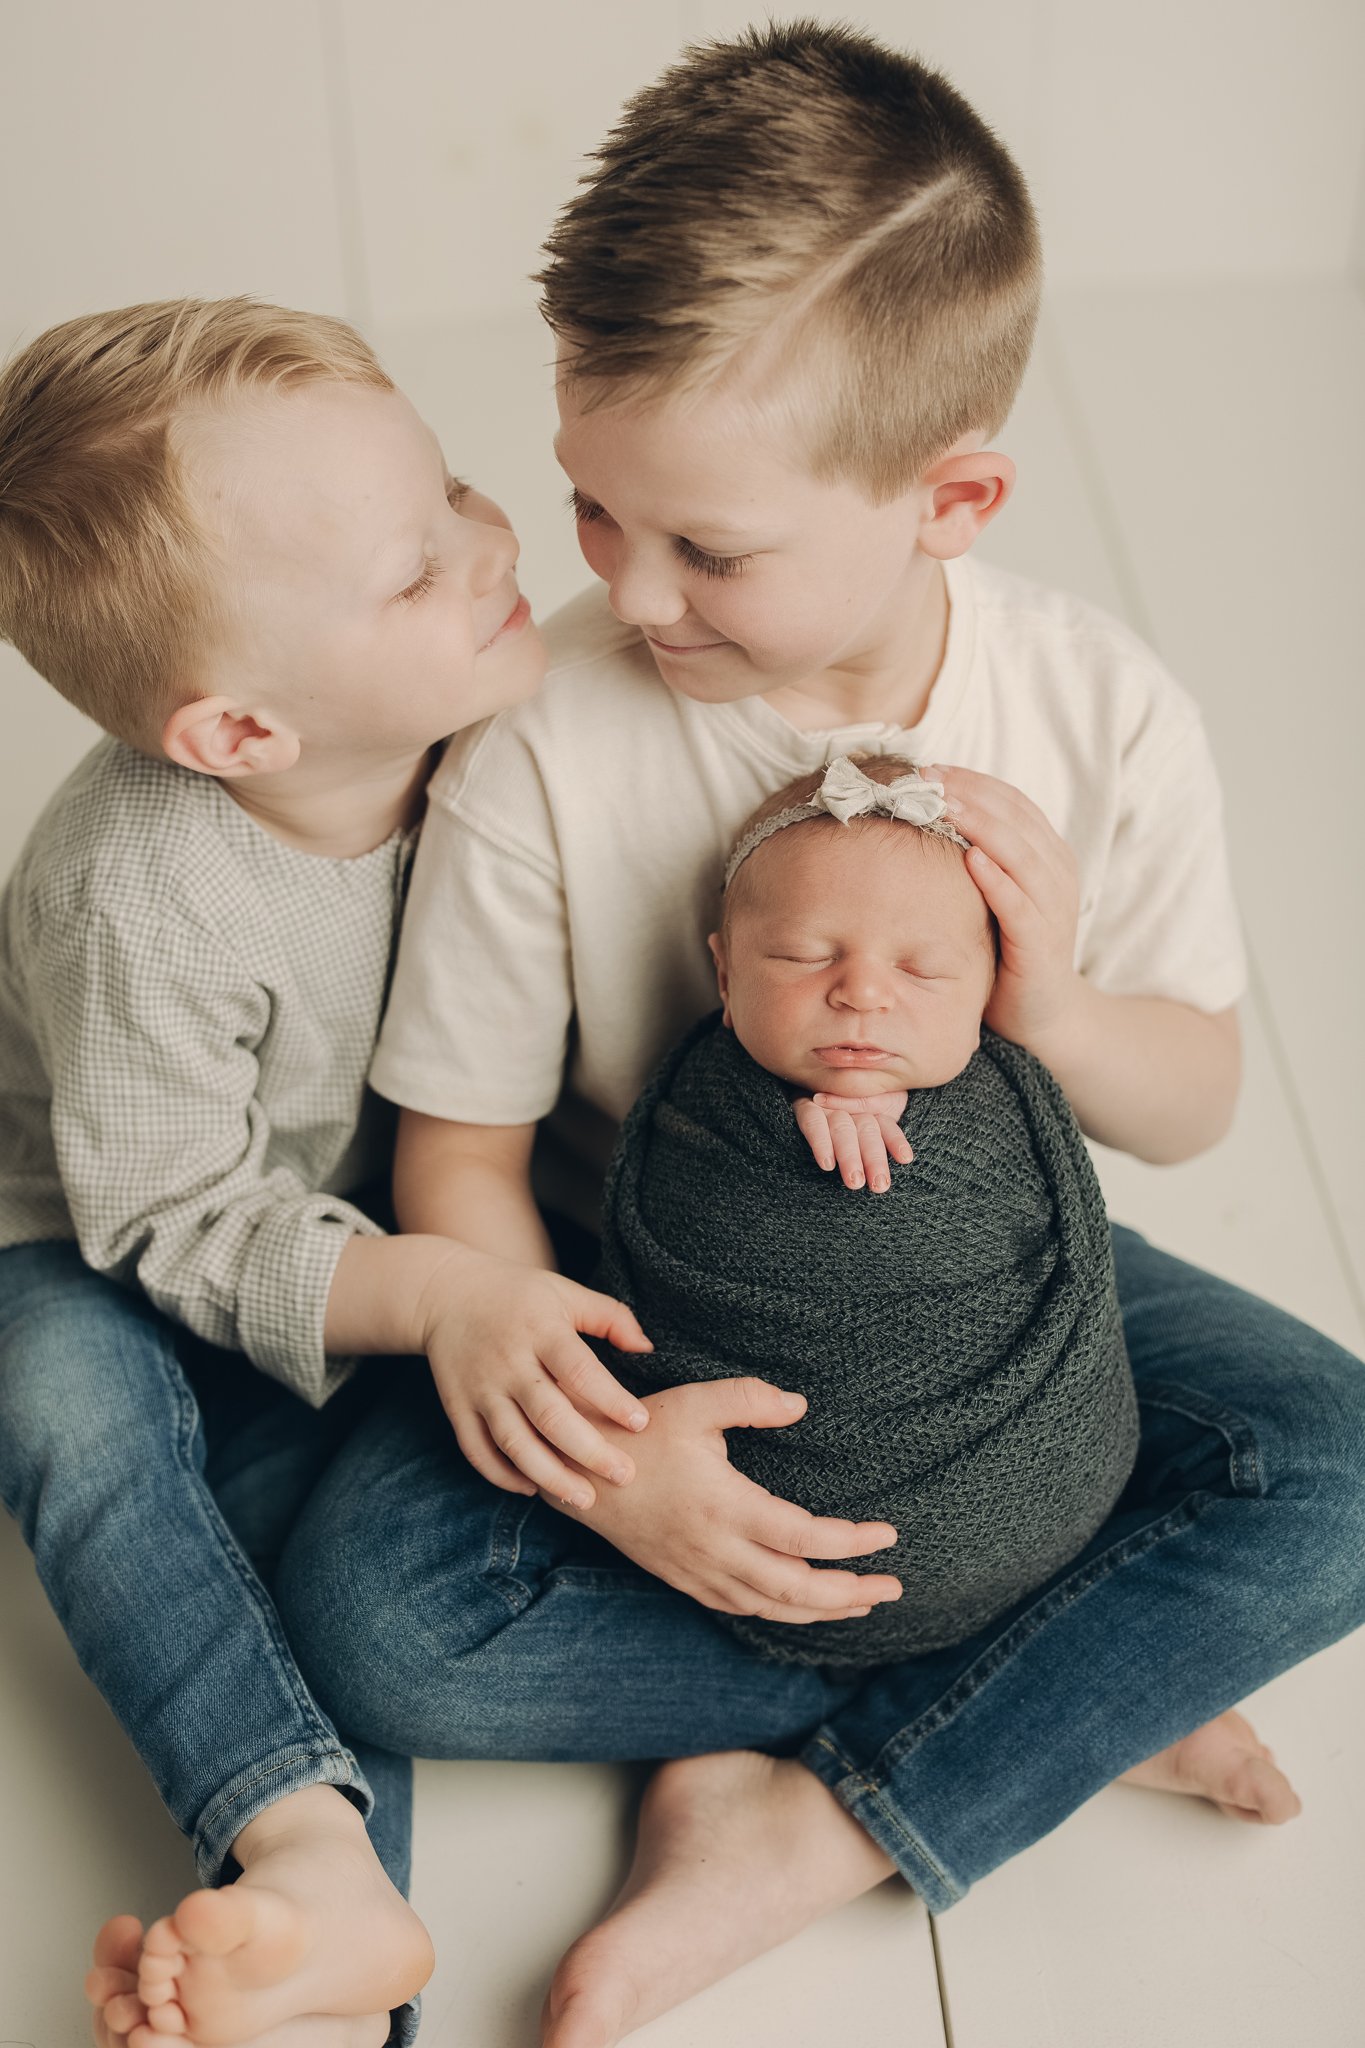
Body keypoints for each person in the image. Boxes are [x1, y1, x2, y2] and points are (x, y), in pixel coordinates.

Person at [271, 23, 1365, 2048]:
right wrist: (612, 1475)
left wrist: (1052, 1010)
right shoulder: (541, 734)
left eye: (713, 546)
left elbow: (1198, 1091)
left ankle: (818, 1814)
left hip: (988, 1309)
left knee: (1337, 1467)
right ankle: (1065, 1679)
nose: (628, 587)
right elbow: (459, 1161)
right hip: (639, 1297)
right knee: (373, 1616)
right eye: (597, 510)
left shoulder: (1098, 711)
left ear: (951, 494)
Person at [0, 296, 664, 2048]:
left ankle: (313, 1927)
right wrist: (437, 1289)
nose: (489, 538)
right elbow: (167, 1214)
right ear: (237, 735)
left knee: (315, 1532)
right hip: (84, 1217)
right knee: (84, 1427)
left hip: (358, 1211)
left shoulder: (496, 737)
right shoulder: (136, 888)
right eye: (408, 567)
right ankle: (301, 1835)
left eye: (451, 485)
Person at [598, 751, 1140, 1671]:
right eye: (804, 956)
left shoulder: (1002, 1104)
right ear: (724, 976)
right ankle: (1042, 1687)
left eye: (924, 971)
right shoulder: (695, 1112)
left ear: (991, 989)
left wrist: (922, 1121)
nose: (861, 992)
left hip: (1026, 1493)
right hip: (731, 1524)